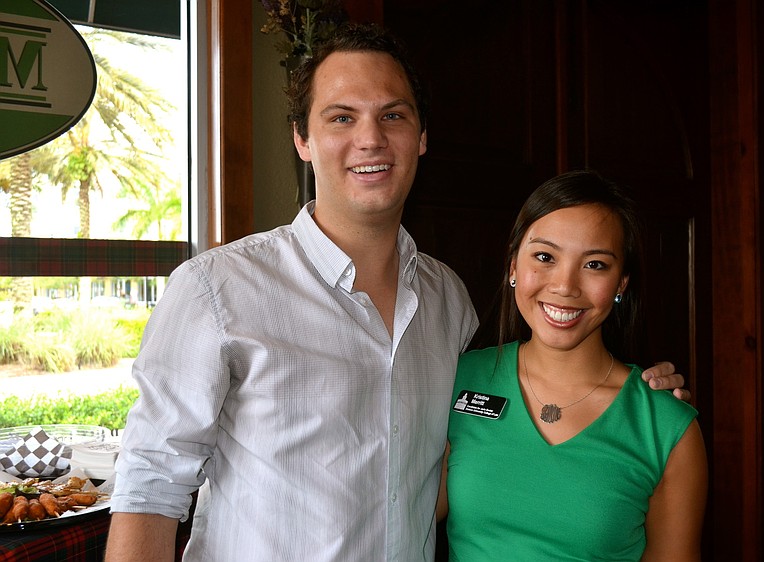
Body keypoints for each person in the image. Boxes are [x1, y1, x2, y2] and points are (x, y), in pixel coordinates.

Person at [105, 24, 688, 562]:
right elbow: (151, 482)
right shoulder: (217, 288)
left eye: (393, 116)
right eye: (340, 117)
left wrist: (640, 404)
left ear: (422, 137)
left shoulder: (447, 301)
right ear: (302, 139)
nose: (370, 139)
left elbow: (499, 435)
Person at [440, 171, 708, 561]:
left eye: (595, 264)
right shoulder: (459, 378)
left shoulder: (666, 427)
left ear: (621, 284)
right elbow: (402, 511)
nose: (565, 285)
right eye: (545, 257)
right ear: (513, 266)